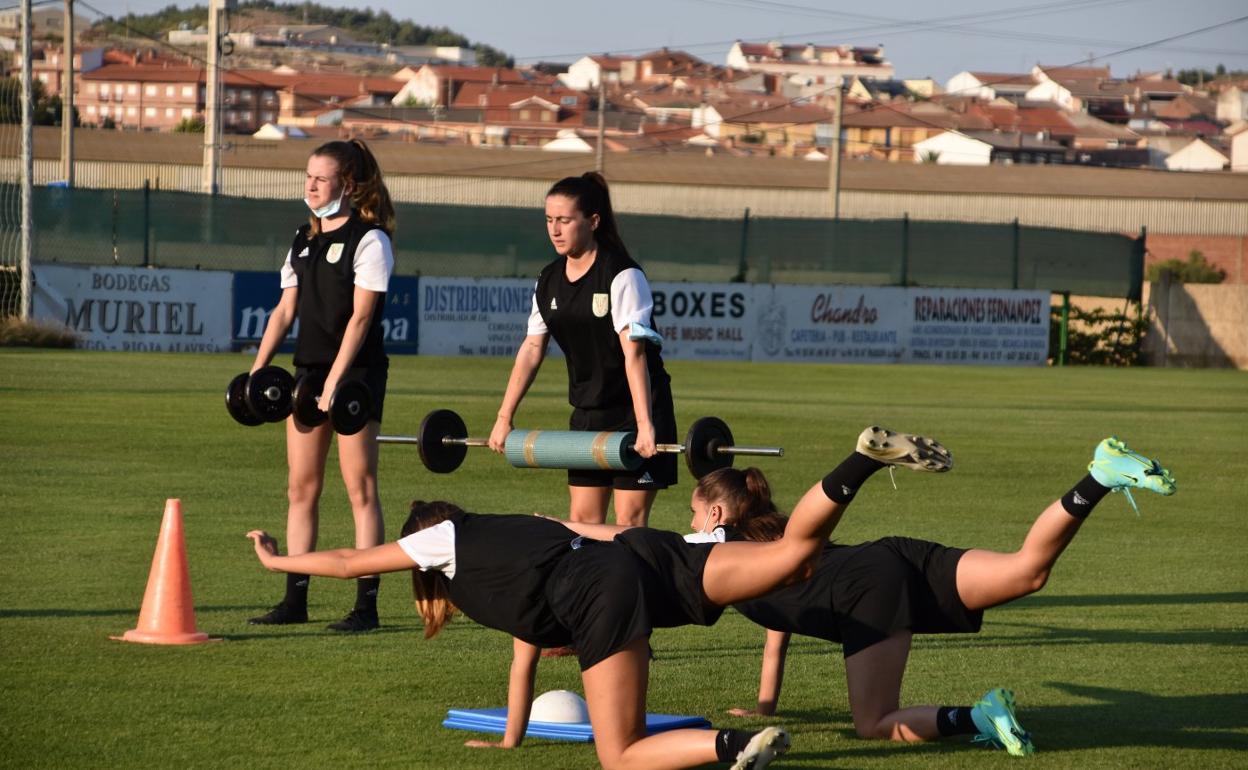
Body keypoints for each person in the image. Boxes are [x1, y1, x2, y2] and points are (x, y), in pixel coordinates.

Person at [246, 424, 954, 770]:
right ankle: (862, 458)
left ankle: (733, 745)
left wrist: (282, 558)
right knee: (798, 556)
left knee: (619, 755)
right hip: (653, 553)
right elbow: (528, 654)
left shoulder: (445, 544)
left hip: (603, 592)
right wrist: (509, 736)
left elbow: (346, 561)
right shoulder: (513, 535)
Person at [684, 433, 1176, 756]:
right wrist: (765, 706)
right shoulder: (771, 544)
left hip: (865, 591)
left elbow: (622, 537)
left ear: (715, 515)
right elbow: (778, 634)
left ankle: (978, 716)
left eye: (692, 511)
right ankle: (1102, 475)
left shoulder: (710, 551)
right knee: (1027, 572)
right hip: (893, 556)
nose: (688, 523)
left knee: (874, 723)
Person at [246, 139, 396, 632]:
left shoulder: (370, 240)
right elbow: (285, 311)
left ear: (347, 186)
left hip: (355, 378)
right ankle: (295, 599)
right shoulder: (302, 241)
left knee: (361, 489)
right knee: (300, 488)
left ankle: (366, 607)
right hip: (307, 375)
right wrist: (257, 370)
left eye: (321, 177)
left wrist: (336, 382)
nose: (310, 185)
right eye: (307, 176)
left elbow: (360, 319)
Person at [488, 172, 676, 529]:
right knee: (583, 522)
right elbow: (531, 349)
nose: (555, 230)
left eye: (564, 220)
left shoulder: (622, 275)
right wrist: (503, 417)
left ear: (592, 221)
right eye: (549, 220)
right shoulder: (548, 280)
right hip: (588, 414)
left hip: (635, 411)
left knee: (628, 526)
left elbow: (633, 356)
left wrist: (645, 426)